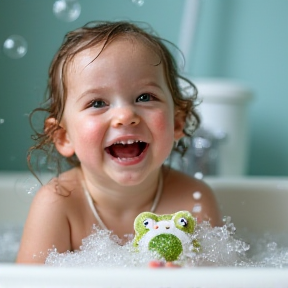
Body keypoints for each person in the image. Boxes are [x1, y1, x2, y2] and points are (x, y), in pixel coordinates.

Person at [16, 21, 221, 264]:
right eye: (98, 103)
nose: (125, 116)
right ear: (64, 136)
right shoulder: (58, 205)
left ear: (177, 122)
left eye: (145, 97)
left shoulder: (193, 199)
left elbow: (217, 277)